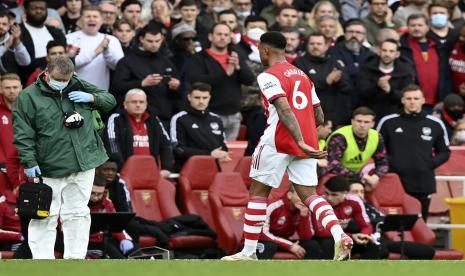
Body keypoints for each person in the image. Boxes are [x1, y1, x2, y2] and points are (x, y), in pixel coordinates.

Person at [221, 31, 353, 261]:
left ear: (264, 50)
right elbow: (319, 115)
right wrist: (306, 138)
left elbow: (283, 108)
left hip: (277, 141)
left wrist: (298, 138)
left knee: (258, 193)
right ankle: (339, 234)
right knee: (310, 196)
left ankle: (249, 252)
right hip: (307, 144)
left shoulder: (268, 75)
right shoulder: (302, 75)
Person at [12, 56, 116, 259]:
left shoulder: (77, 84)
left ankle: (75, 259)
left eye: (66, 80)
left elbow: (110, 100)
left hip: (83, 162)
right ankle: (42, 262)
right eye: (58, 79)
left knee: (78, 213)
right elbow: (23, 133)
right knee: (44, 215)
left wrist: (93, 98)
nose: (62, 84)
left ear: (72, 75)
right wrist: (29, 161)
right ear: (47, 73)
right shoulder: (28, 97)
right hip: (49, 166)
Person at [377, 84, 451, 220]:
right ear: (402, 100)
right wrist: (391, 164)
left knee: (420, 221)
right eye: (409, 98)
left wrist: (429, 164)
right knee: (394, 222)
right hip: (395, 180)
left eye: (416, 98)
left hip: (422, 182)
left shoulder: (435, 124)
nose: (412, 102)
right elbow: (376, 149)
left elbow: (445, 152)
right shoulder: (388, 122)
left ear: (423, 100)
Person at [187, 23, 255, 140]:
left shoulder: (235, 56)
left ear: (230, 38)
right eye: (219, 34)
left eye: (226, 35)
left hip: (234, 114)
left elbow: (249, 80)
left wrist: (239, 67)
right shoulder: (199, 57)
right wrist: (225, 74)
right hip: (210, 113)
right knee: (212, 151)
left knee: (231, 153)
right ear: (210, 37)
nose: (222, 37)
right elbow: (195, 80)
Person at [111, 24, 181, 129]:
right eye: (150, 41)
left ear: (162, 39)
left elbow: (179, 93)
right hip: (137, 118)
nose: (154, 45)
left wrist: (176, 87)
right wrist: (142, 83)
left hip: (165, 117)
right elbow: (116, 87)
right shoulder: (128, 61)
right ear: (141, 39)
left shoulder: (167, 62)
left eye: (157, 41)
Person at [348, 182, 436, 259]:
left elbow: (384, 219)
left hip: (383, 240)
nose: (359, 194)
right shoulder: (346, 208)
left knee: (427, 251)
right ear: (346, 194)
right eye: (355, 192)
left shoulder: (369, 206)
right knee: (381, 250)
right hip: (364, 242)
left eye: (362, 192)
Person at [104, 89, 173, 178]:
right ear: (125, 104)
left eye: (141, 102)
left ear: (146, 104)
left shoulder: (154, 120)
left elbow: (166, 144)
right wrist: (122, 167)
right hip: (125, 173)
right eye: (134, 102)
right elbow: (112, 143)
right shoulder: (116, 119)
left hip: (151, 173)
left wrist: (166, 167)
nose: (138, 105)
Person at [293, 32, 353, 125]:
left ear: (326, 46)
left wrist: (339, 80)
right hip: (309, 113)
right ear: (307, 45)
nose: (315, 46)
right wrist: (326, 81)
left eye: (319, 44)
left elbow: (348, 87)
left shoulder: (335, 63)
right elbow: (301, 88)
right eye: (312, 44)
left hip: (334, 115)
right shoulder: (298, 63)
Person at [324, 107, 389, 191]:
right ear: (352, 121)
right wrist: (362, 176)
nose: (362, 125)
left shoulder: (376, 136)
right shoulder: (340, 136)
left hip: (356, 176)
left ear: (372, 124)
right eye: (359, 121)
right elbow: (333, 164)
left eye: (366, 122)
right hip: (332, 176)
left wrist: (376, 176)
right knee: (356, 190)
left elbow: (383, 162)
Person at [170, 82, 230, 171]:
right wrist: (209, 154)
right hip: (187, 170)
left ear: (209, 98)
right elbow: (178, 149)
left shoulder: (216, 118)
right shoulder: (179, 118)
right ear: (189, 97)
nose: (201, 101)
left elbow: (223, 145)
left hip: (213, 169)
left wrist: (222, 153)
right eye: (197, 98)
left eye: (205, 98)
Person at [66, 5, 124, 90]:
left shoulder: (111, 40)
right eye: (88, 16)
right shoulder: (69, 38)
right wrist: (96, 51)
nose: (91, 19)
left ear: (101, 20)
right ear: (81, 19)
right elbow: (69, 65)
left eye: (95, 16)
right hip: (73, 93)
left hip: (100, 95)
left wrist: (106, 51)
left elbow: (120, 66)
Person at [357, 38, 416, 120]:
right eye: (384, 50)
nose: (387, 54)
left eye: (391, 51)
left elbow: (406, 96)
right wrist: (377, 86)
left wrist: (390, 91)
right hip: (370, 116)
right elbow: (361, 92)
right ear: (379, 51)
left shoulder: (405, 71)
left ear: (397, 54)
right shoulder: (367, 68)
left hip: (396, 116)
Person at [257, 186, 321, 259]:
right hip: (258, 240)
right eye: (300, 195)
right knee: (270, 246)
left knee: (312, 245)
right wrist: (289, 245)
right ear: (289, 195)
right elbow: (262, 233)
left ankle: (308, 270)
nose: (304, 200)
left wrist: (304, 216)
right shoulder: (273, 205)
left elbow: (306, 237)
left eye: (307, 197)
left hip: (280, 242)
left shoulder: (304, 208)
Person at [18, 0, 66, 84]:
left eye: (42, 8)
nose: (39, 11)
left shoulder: (56, 32)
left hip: (58, 81)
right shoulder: (18, 32)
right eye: (34, 8)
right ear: (25, 10)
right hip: (28, 83)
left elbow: (65, 57)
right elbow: (23, 61)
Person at [87, 175, 134, 259]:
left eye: (99, 194)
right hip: (83, 242)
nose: (95, 197)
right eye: (92, 193)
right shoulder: (78, 204)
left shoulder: (107, 203)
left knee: (132, 249)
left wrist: (123, 239)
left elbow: (115, 225)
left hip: (103, 240)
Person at [0, 74, 22, 168]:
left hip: (26, 164)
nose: (12, 91)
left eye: (15, 87)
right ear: (0, 89)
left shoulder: (30, 109)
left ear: (21, 88)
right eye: (7, 88)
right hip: (2, 166)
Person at [0, 10, 30, 75]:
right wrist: (5, 47)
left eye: (4, 24)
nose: (1, 26)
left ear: (9, 26)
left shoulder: (14, 39)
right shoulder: (8, 42)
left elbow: (25, 62)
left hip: (11, 81)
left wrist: (17, 41)